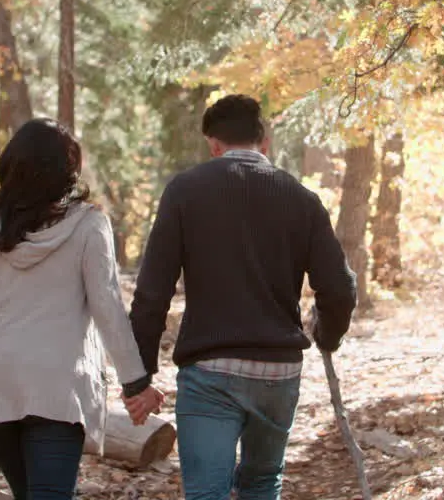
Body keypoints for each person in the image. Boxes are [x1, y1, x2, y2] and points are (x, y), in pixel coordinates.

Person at [0, 118, 164, 500]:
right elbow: (108, 307)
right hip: (57, 389)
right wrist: (136, 383)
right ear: (67, 172)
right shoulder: (89, 226)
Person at [128, 94, 357, 500]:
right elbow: (339, 288)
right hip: (278, 373)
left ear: (213, 145)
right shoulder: (303, 200)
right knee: (261, 484)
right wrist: (327, 336)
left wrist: (140, 377)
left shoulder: (184, 192)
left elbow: (152, 293)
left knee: (207, 493)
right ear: (264, 140)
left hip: (210, 374)